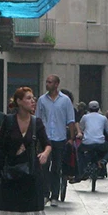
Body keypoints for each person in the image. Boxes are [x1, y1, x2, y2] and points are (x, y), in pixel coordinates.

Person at [0, 87, 53, 215]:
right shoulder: (9, 121)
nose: (33, 101)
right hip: (13, 171)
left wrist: (44, 154)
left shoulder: (36, 122)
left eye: (33, 98)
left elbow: (47, 144)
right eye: (29, 98)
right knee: (14, 205)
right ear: (18, 102)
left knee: (32, 205)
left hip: (32, 171)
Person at [36, 75, 76, 207]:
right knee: (44, 167)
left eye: (50, 82)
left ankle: (54, 195)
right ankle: (45, 194)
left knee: (57, 168)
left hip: (60, 138)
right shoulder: (42, 100)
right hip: (45, 139)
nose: (47, 84)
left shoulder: (65, 101)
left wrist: (71, 138)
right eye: (46, 82)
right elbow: (38, 119)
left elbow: (70, 120)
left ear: (56, 84)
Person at [75, 100, 108, 181]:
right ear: (98, 108)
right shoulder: (103, 118)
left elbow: (80, 129)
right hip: (100, 143)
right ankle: (103, 161)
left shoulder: (85, 117)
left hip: (87, 143)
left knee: (79, 151)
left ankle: (82, 170)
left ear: (89, 108)